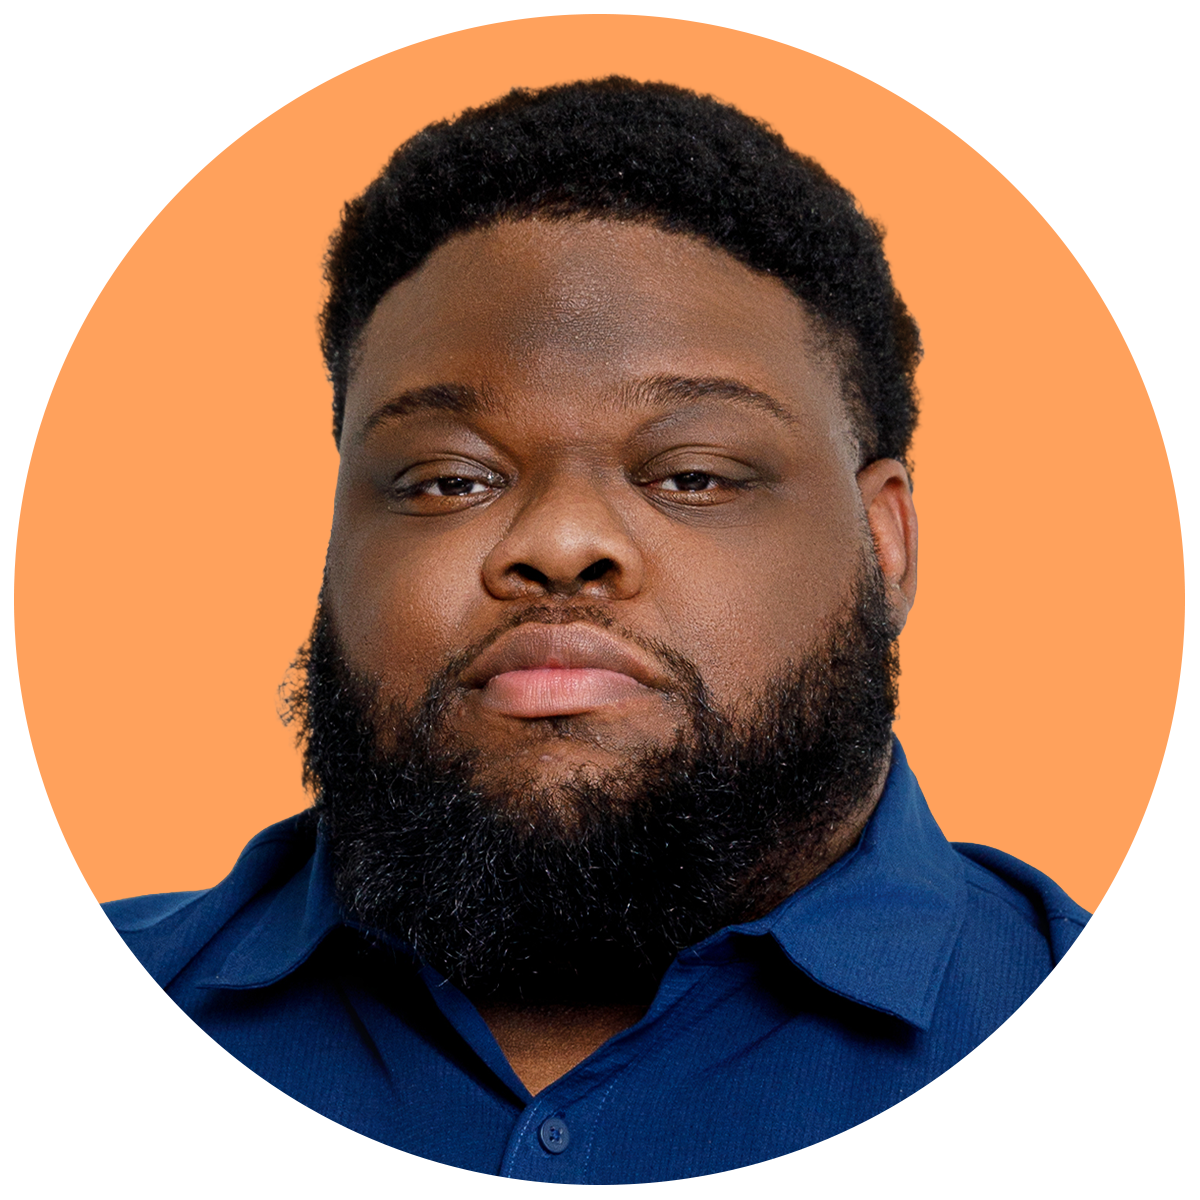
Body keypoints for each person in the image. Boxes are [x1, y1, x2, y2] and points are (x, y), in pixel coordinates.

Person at [100, 76, 1091, 1185]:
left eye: (696, 475)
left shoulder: (1124, 1052)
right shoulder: (79, 1032)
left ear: (885, 543)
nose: (561, 543)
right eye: (444, 480)